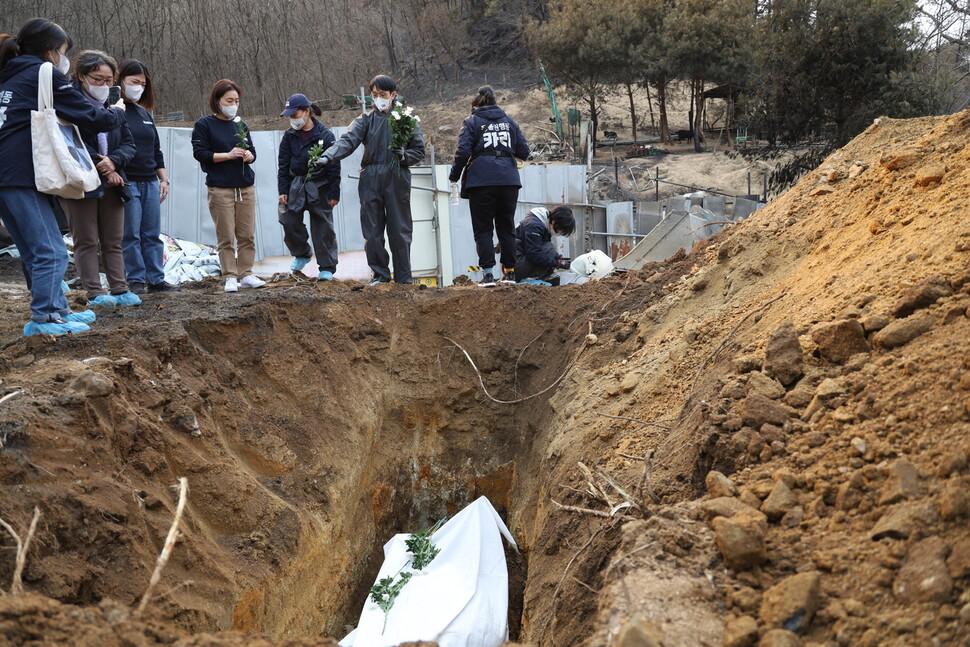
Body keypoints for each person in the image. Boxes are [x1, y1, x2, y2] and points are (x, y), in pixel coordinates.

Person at [0, 18, 128, 335]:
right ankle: (44, 318)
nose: (63, 58)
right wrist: (118, 112)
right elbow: (92, 117)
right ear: (51, 51)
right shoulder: (43, 72)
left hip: (8, 175)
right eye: (62, 51)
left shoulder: (8, 76)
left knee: (34, 250)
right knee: (51, 251)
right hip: (21, 173)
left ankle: (57, 309)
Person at [318, 75, 425, 284]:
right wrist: (328, 156)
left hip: (397, 176)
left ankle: (403, 278)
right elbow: (348, 140)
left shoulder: (406, 119)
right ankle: (380, 275)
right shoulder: (365, 120)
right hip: (370, 177)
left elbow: (419, 150)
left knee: (400, 230)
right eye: (374, 95)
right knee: (372, 231)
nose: (378, 99)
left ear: (393, 95)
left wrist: (405, 156)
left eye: (383, 95)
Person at [58, 50, 142, 309]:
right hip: (81, 181)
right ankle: (95, 291)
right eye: (97, 79)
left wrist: (114, 161)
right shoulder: (69, 104)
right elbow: (69, 142)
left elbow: (129, 143)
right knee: (86, 239)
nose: (104, 86)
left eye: (108, 80)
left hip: (114, 182)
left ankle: (120, 288)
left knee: (113, 240)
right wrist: (102, 164)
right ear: (81, 76)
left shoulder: (114, 106)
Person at [448, 86, 530, 287]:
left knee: (483, 229)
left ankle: (488, 275)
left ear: (475, 105)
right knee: (506, 227)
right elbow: (524, 151)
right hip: (508, 180)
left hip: (481, 181)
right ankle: (510, 274)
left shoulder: (472, 122)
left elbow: (463, 152)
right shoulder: (509, 121)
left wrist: (454, 176)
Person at [191, 79, 264, 293]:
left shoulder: (240, 125)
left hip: (245, 187)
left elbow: (253, 152)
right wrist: (228, 155)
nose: (233, 104)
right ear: (217, 101)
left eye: (237, 100)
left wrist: (249, 156)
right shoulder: (204, 124)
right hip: (220, 188)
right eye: (229, 100)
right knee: (226, 235)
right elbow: (200, 154)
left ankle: (247, 273)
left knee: (247, 234)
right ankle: (230, 275)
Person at [118, 59, 179, 295]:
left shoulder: (145, 113)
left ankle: (156, 279)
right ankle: (135, 279)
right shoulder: (115, 111)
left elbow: (156, 150)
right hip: (127, 180)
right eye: (134, 82)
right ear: (120, 80)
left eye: (143, 83)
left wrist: (163, 179)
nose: (139, 87)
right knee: (130, 234)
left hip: (150, 181)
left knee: (151, 233)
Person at [277, 93, 340, 280]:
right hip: (295, 184)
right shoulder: (288, 137)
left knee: (323, 228)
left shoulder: (326, 135)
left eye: (295, 115)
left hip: (320, 185)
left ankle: (327, 267)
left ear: (307, 112)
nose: (292, 119)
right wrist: (283, 190)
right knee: (288, 220)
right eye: (290, 116)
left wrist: (334, 192)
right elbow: (283, 165)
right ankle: (302, 252)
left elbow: (334, 165)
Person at [514, 206, 575, 285]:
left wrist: (559, 258)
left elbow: (537, 246)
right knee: (549, 248)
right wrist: (557, 263)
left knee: (550, 251)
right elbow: (534, 254)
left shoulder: (540, 224)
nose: (559, 233)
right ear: (554, 221)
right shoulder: (534, 226)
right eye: (560, 230)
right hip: (516, 266)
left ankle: (534, 277)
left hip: (517, 263)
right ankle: (529, 279)